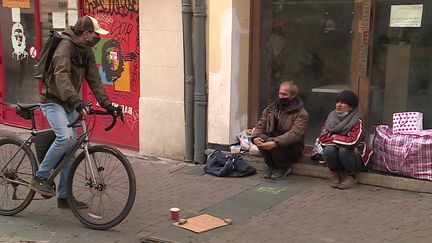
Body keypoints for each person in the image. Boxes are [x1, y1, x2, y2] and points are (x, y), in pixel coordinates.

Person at [29, 16, 122, 209]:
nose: (98, 37)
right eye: (96, 34)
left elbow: (95, 81)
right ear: (87, 33)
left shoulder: (85, 51)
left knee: (71, 150)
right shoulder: (65, 47)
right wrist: (77, 102)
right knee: (65, 137)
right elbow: (61, 77)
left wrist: (108, 105)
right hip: (52, 101)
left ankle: (64, 197)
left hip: (69, 103)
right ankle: (40, 176)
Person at [251, 81, 309, 180]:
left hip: (291, 147)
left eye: (284, 94)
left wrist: (275, 142)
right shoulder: (271, 109)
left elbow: (294, 134)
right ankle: (271, 165)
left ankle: (283, 167)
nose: (281, 96)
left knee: (270, 141)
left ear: (293, 96)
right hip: (272, 140)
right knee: (261, 138)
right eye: (280, 93)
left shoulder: (301, 113)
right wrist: (254, 137)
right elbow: (261, 125)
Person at [318, 90, 372, 189]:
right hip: (336, 151)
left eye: (343, 103)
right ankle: (335, 173)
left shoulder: (356, 121)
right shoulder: (331, 117)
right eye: (338, 102)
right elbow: (322, 138)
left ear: (351, 107)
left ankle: (351, 175)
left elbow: (353, 141)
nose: (339, 105)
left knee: (344, 150)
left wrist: (335, 137)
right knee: (329, 150)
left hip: (353, 155)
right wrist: (340, 140)